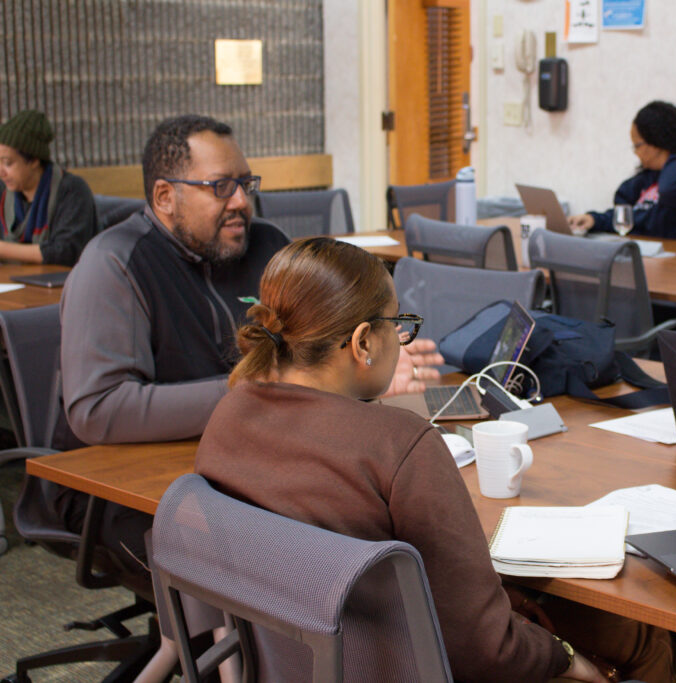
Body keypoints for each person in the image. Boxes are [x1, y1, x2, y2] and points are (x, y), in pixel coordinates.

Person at [195, 237, 676, 683]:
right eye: (397, 325)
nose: (400, 338)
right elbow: (485, 648)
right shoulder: (400, 444)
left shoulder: (229, 416)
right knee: (637, 634)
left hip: (303, 658)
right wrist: (567, 658)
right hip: (405, 665)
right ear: (364, 342)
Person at [52, 114, 443, 572]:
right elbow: (98, 411)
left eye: (245, 182)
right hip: (122, 492)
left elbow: (314, 353)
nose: (241, 200)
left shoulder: (267, 246)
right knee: (297, 558)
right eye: (220, 186)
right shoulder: (114, 266)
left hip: (255, 461)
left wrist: (367, 366)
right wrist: (256, 386)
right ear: (165, 197)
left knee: (369, 526)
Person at [567, 101, 676, 243]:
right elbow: (629, 213)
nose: (635, 152)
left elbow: (669, 192)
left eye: (638, 145)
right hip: (661, 263)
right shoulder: (649, 177)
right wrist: (595, 220)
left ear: (658, 141)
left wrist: (674, 155)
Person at [0, 109, 98, 265]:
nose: (1, 172)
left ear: (34, 160)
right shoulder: (3, 192)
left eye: (8, 163)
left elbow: (66, 251)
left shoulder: (71, 190)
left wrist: (4, 249)